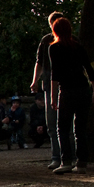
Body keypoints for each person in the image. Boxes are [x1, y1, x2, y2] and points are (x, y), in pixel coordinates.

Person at [48, 17, 94, 174]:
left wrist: (53, 97)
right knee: (80, 128)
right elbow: (89, 70)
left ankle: (66, 161)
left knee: (63, 128)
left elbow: (55, 75)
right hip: (83, 90)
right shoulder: (78, 47)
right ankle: (82, 163)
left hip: (68, 91)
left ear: (55, 31)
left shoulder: (54, 48)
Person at [30, 12, 64, 169]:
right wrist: (34, 81)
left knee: (64, 124)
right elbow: (40, 63)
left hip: (63, 85)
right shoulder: (46, 41)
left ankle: (65, 156)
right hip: (49, 86)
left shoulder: (70, 40)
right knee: (52, 123)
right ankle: (57, 156)